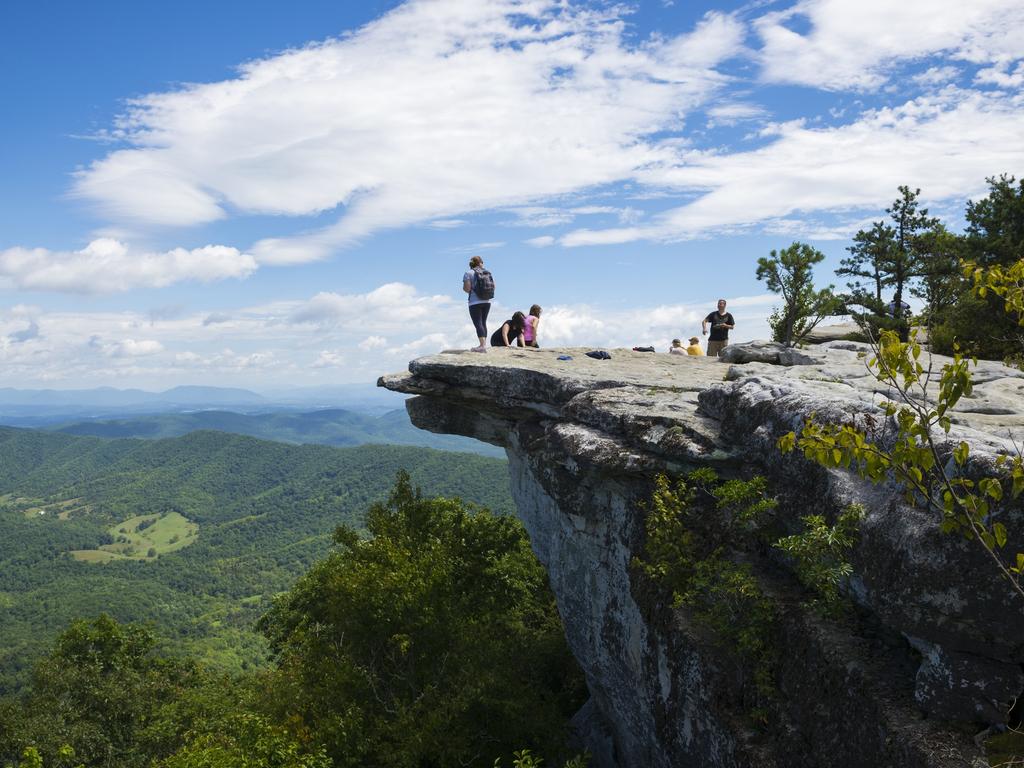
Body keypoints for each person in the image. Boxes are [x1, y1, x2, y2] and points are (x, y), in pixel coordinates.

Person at [463, 256, 493, 352]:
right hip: (487, 301)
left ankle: (482, 346)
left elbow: (467, 289)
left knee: (478, 323)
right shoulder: (487, 272)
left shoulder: (468, 273)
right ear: (481, 263)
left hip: (474, 302)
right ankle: (484, 344)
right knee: (483, 322)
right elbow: (494, 286)